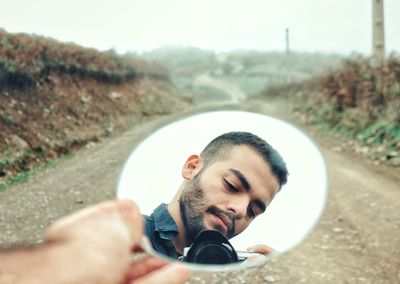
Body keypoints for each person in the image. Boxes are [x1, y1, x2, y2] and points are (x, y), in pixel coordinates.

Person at [143, 131, 288, 260]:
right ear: (192, 168)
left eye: (252, 211)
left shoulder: (233, 275)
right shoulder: (128, 238)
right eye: (231, 186)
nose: (241, 210)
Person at [0, 200, 191, 284]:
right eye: (223, 184)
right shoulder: (134, 230)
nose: (223, 211)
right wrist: (62, 261)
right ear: (191, 167)